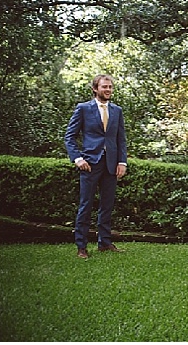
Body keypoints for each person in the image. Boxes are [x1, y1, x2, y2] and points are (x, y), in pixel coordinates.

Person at [65, 74, 127, 259]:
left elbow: (120, 139)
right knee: (85, 205)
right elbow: (69, 137)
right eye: (104, 87)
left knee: (107, 205)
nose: (108, 90)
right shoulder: (83, 109)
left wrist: (122, 162)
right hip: (90, 165)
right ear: (95, 89)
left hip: (111, 165)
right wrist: (77, 159)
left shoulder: (117, 111)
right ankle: (81, 247)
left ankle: (105, 243)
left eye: (110, 87)